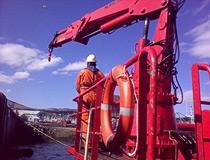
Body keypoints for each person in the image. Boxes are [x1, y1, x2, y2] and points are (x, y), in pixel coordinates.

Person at [75, 54, 104, 148]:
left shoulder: (82, 72)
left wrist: (82, 93)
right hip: (96, 97)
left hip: (85, 96)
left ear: (87, 63)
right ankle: (96, 143)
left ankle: (88, 145)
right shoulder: (100, 74)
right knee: (96, 120)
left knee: (86, 120)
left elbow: (77, 87)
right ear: (95, 64)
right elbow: (104, 86)